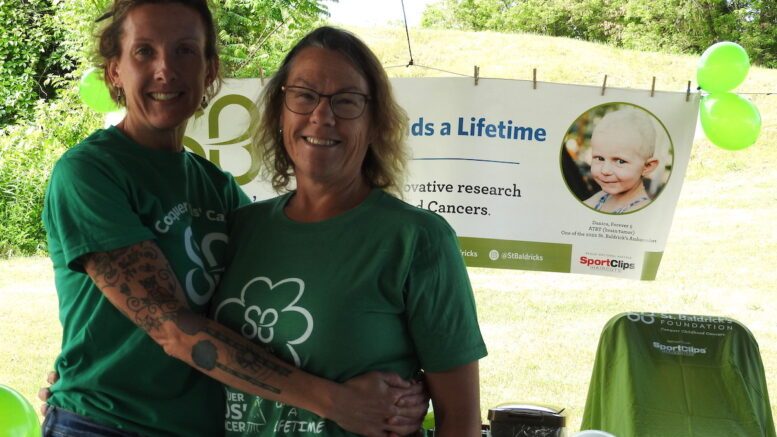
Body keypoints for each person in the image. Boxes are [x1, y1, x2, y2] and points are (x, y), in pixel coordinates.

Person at [40, 1, 424, 436]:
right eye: (144, 51)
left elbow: (286, 308)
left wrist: (402, 393)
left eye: (185, 50)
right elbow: (173, 329)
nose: (165, 69)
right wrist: (337, 402)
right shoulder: (90, 172)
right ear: (114, 71)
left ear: (210, 71)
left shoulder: (218, 189)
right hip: (105, 423)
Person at [211, 26, 488, 436]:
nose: (322, 116)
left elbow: (460, 419)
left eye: (346, 101)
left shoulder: (417, 239)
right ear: (279, 111)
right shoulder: (241, 228)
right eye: (304, 95)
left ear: (375, 123)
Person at [583, 108, 659, 213]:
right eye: (600, 158)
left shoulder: (640, 211)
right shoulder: (601, 197)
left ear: (647, 167)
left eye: (620, 161)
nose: (605, 171)